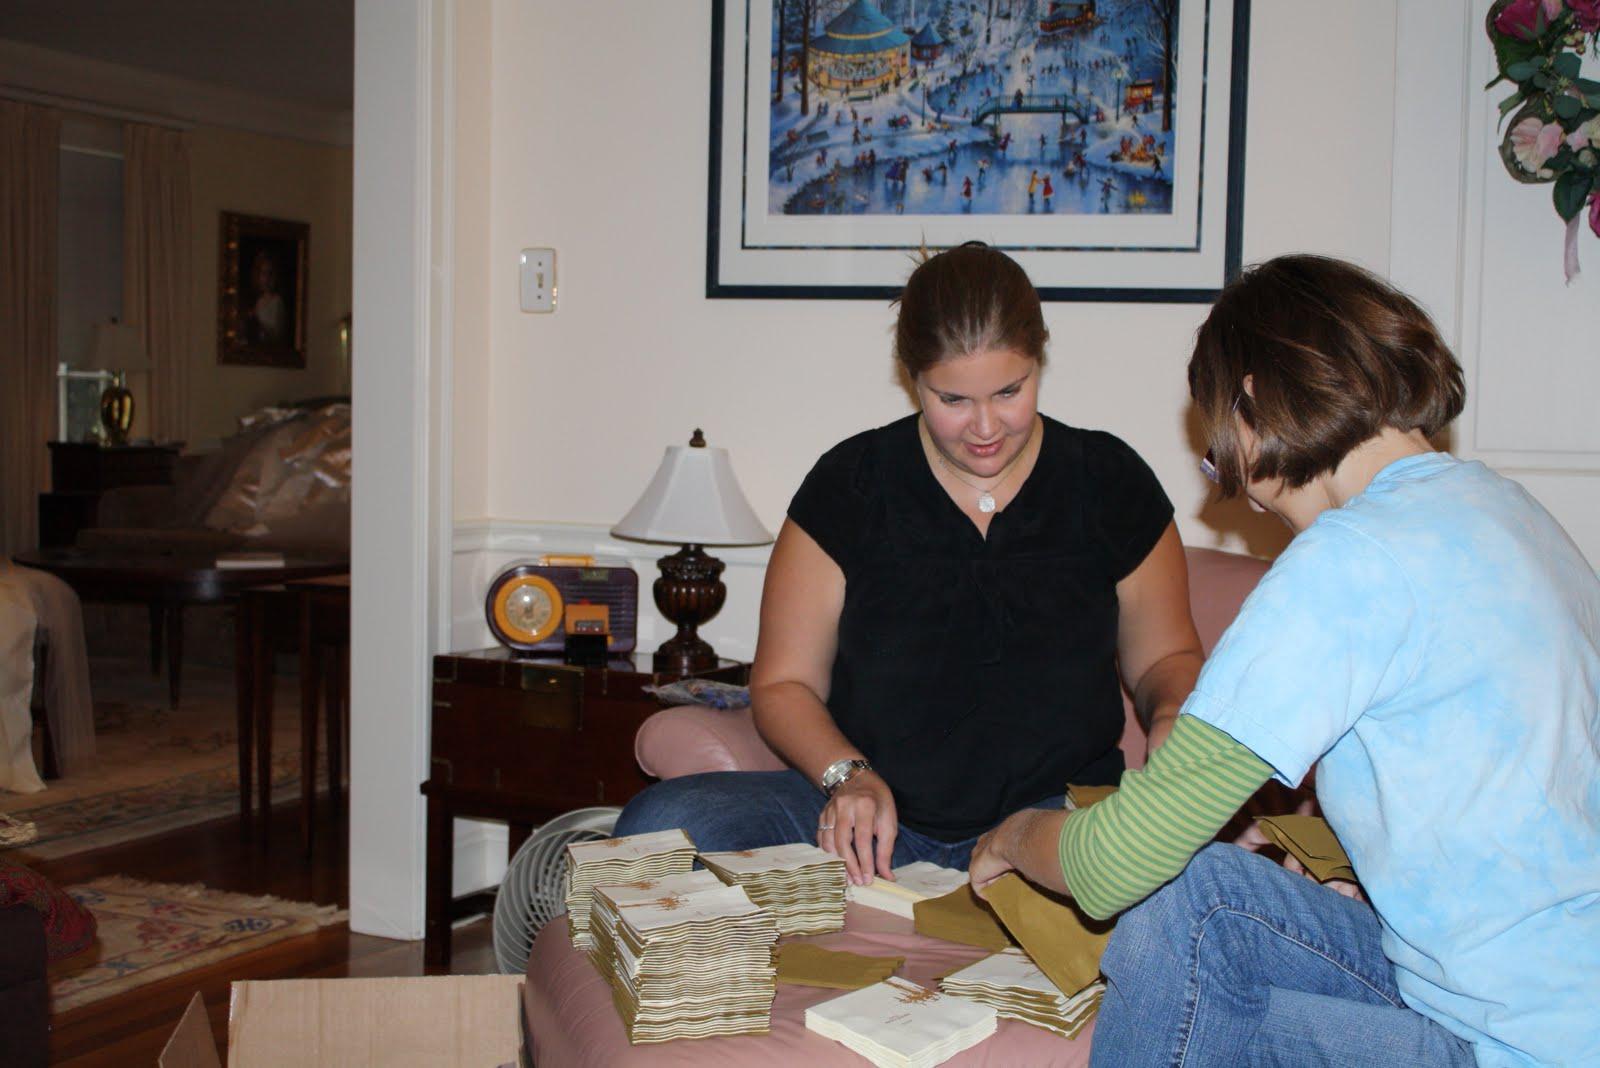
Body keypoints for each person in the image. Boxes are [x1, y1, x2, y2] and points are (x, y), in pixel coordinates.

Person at [967, 255, 1600, 1067]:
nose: (1242, 489)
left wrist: (1017, 832)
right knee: (1212, 905)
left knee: (1177, 909)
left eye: (1217, 452)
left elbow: (1116, 863)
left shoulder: (1351, 560)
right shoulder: (1508, 512)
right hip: (1552, 994)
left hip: (1514, 1041)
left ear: (1255, 405)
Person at [614, 243, 1205, 888]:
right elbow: (784, 685)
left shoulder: (1110, 481)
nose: (985, 427)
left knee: (1174, 874)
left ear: (1040, 360)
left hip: (1053, 824)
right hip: (873, 812)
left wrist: (1172, 716)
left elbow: (1163, 659)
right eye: (952, 399)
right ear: (911, 376)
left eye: (1010, 391)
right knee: (656, 827)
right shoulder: (850, 485)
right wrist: (848, 776)